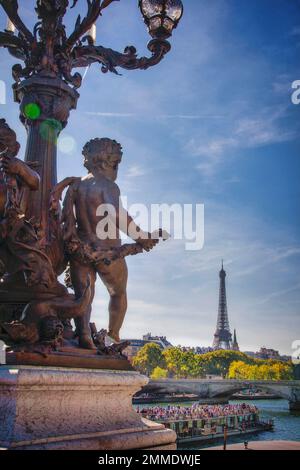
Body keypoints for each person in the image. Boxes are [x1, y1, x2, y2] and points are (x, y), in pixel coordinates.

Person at [61, 138, 158, 349]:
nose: (116, 169)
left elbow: (67, 219)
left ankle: (84, 334)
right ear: (104, 162)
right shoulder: (108, 186)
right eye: (115, 164)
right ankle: (112, 336)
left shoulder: (76, 185)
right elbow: (118, 215)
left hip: (81, 250)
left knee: (84, 297)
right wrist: (142, 237)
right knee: (118, 293)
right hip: (108, 251)